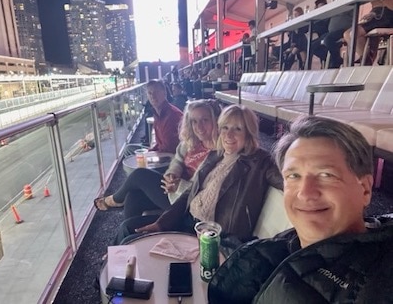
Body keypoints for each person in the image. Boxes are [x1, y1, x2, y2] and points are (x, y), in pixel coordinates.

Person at [208, 115, 393, 304]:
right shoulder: (278, 247)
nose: (305, 193)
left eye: (326, 175)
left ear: (365, 189)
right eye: (294, 175)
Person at [115, 104, 283, 244]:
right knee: (128, 227)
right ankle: (111, 265)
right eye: (225, 127)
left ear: (249, 132)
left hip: (211, 236)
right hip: (187, 219)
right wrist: (162, 223)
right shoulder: (215, 156)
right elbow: (190, 193)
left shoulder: (260, 162)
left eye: (237, 129)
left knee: (131, 237)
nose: (229, 135)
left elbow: (287, 178)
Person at [94, 99, 221, 218]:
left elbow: (208, 190)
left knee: (140, 174)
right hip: (174, 189)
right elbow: (177, 160)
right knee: (132, 196)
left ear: (216, 120)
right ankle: (130, 238)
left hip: (188, 201)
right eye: (194, 121)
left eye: (205, 120)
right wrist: (172, 174)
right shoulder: (192, 142)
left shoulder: (220, 153)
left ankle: (114, 200)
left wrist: (179, 186)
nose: (199, 126)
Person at [124, 79, 183, 156]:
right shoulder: (157, 113)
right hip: (162, 152)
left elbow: (169, 149)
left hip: (170, 159)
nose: (153, 96)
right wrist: (150, 150)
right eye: (150, 93)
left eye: (156, 92)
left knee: (132, 153)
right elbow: (160, 144)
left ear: (164, 93)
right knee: (129, 149)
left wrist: (149, 154)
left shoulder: (172, 115)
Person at [343, 0, 393, 65]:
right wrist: (372, 13)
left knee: (353, 33)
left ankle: (366, 61)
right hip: (377, 13)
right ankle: (366, 58)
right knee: (347, 34)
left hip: (387, 14)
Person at [314, 0, 353, 68]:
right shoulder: (337, 2)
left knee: (328, 39)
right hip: (332, 32)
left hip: (344, 30)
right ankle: (334, 58)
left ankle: (335, 61)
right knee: (312, 46)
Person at [310, 0, 330, 66]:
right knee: (311, 45)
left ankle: (327, 59)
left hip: (327, 34)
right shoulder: (318, 16)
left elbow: (324, 26)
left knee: (311, 45)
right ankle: (326, 59)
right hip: (322, 37)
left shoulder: (327, 14)